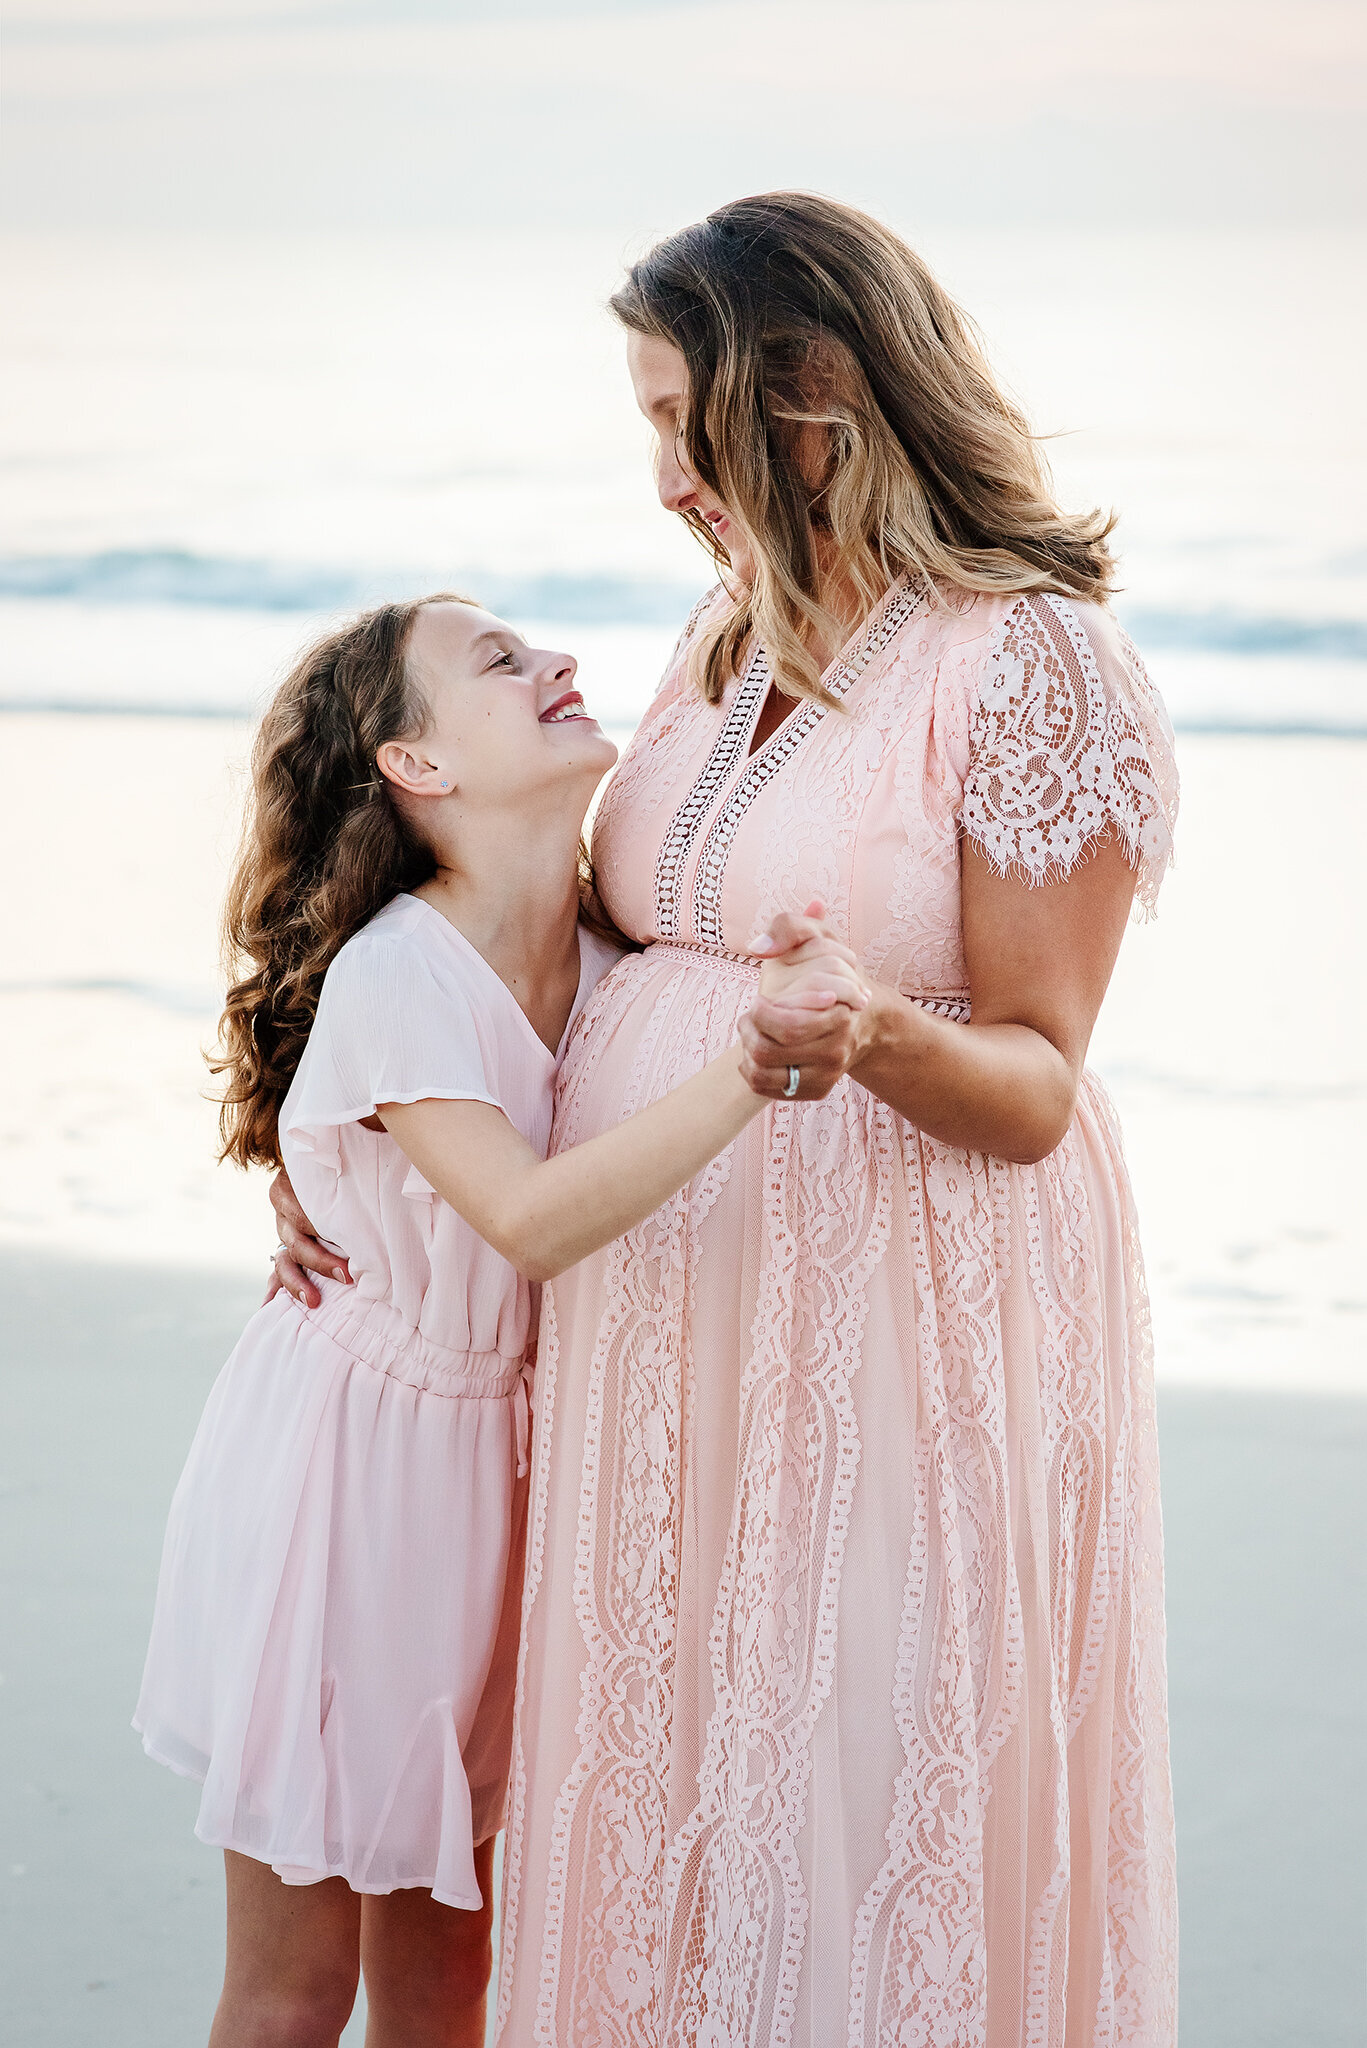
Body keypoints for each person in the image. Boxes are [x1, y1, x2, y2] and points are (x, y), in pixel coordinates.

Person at [273, 193, 1182, 2046]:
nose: (665, 475)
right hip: (662, 1332)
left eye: (679, 416)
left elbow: (1034, 1079)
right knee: (673, 1796)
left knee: (853, 1772)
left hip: (897, 1329)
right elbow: (574, 956)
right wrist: (355, 1155)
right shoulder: (718, 638)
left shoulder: (1031, 667)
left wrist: (869, 1037)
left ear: (818, 394)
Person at [135, 591, 856, 2048]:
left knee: (450, 1978)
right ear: (419, 766)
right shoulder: (400, 971)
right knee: (292, 1993)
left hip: (511, 1482)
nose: (559, 662)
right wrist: (755, 1072)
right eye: (500, 662)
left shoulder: (616, 970)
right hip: (351, 1482)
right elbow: (527, 1216)